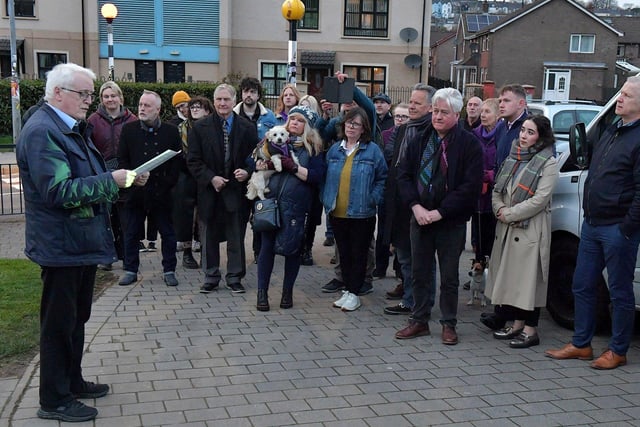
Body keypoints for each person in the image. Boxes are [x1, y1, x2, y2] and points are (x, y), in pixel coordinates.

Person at [16, 63, 146, 422]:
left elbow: (86, 174)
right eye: (84, 94)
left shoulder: (68, 127)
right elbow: (58, 191)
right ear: (58, 93)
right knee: (59, 324)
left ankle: (71, 382)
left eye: (91, 94)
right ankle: (54, 400)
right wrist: (112, 181)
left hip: (78, 242)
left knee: (76, 318)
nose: (91, 101)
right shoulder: (44, 131)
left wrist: (122, 179)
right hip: (61, 246)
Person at [545, 75, 640, 369]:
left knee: (620, 292)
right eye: (620, 93)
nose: (619, 98)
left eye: (626, 95)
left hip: (617, 228)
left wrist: (627, 227)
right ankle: (581, 343)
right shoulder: (613, 129)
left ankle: (618, 349)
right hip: (593, 223)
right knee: (583, 284)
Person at [394, 88, 483, 344]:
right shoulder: (420, 137)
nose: (438, 116)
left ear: (457, 114)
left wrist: (440, 212)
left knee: (449, 276)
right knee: (419, 272)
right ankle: (419, 320)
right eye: (435, 111)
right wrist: (415, 206)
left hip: (450, 220)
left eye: (444, 112)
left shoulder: (469, 144)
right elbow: (404, 175)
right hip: (420, 217)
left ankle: (448, 323)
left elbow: (470, 187)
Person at [486, 115, 559, 348]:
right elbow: (498, 190)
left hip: (530, 229)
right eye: (523, 131)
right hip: (508, 227)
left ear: (541, 136)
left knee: (529, 281)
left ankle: (531, 329)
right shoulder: (513, 157)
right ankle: (516, 323)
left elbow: (540, 199)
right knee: (514, 279)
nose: (524, 136)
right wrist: (499, 209)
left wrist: (510, 214)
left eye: (530, 132)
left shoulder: (548, 162)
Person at [188, 84, 260, 294]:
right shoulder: (200, 128)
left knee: (236, 236)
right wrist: (211, 178)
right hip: (210, 191)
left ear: (234, 100)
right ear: (214, 101)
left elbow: (255, 157)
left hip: (236, 191)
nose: (222, 103)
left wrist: (247, 171)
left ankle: (235, 276)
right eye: (218, 99)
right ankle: (211, 276)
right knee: (209, 236)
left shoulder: (247, 127)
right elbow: (192, 161)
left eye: (226, 99)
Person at [255, 105, 325, 311]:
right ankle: (262, 293)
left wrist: (292, 166)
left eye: (300, 120)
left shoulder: (314, 148)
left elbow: (316, 176)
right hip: (270, 203)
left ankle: (287, 292)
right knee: (266, 248)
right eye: (292, 118)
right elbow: (251, 161)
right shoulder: (271, 140)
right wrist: (260, 164)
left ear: (308, 126)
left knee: (292, 249)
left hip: (296, 207)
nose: (294, 122)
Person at [322, 107, 388, 312]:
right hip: (337, 211)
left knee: (359, 253)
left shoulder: (372, 150)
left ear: (364, 129)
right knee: (344, 253)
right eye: (348, 123)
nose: (351, 127)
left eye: (356, 124)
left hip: (362, 212)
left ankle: (354, 293)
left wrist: (373, 199)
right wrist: (326, 199)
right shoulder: (335, 150)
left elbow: (382, 178)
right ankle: (348, 290)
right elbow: (326, 177)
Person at [117, 90, 182, 287]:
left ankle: (169, 269)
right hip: (135, 193)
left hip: (162, 192)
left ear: (158, 109)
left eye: (147, 106)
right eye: (140, 105)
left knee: (168, 233)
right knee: (131, 232)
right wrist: (132, 178)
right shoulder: (129, 130)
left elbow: (176, 162)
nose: (142, 109)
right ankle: (130, 269)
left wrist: (165, 184)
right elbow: (122, 159)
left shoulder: (171, 131)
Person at [382, 84, 436, 315]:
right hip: (398, 203)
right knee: (404, 256)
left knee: (421, 259)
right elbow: (393, 161)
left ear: (431, 107)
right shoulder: (403, 129)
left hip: (421, 205)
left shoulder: (433, 131)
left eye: (417, 103)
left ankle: (423, 304)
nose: (412, 106)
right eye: (410, 102)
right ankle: (409, 299)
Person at [480, 84, 529, 331]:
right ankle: (500, 311)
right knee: (498, 258)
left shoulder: (529, 128)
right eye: (499, 100)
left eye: (506, 100)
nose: (501, 104)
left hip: (518, 203)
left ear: (522, 103)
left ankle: (512, 314)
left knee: (515, 264)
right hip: (499, 199)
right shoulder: (502, 127)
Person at [87, 81, 138, 269]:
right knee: (106, 217)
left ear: (120, 98)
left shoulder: (132, 120)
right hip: (103, 171)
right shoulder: (93, 120)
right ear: (101, 99)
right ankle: (106, 257)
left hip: (126, 171)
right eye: (106, 96)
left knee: (126, 217)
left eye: (113, 96)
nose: (110, 99)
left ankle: (128, 256)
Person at [174, 96, 213, 269]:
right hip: (186, 176)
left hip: (206, 176)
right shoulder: (181, 128)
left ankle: (206, 250)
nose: (195, 109)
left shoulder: (214, 128)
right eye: (193, 107)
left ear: (208, 110)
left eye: (199, 106)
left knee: (205, 216)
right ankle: (187, 253)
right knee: (186, 216)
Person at [470, 98, 501, 264]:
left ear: (497, 115)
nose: (483, 115)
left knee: (492, 233)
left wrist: (491, 175)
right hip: (478, 193)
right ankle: (478, 270)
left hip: (495, 192)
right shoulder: (475, 135)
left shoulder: (501, 135)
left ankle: (491, 270)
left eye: (487, 111)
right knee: (478, 234)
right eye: (482, 111)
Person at [297, 94, 325, 266]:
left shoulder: (317, 136)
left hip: (312, 185)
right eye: (302, 105)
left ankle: (307, 247)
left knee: (312, 218)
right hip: (294, 187)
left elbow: (317, 172)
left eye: (308, 106)